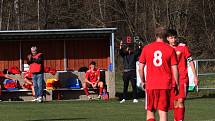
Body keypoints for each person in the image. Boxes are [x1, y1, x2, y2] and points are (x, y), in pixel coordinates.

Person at [138, 27, 179, 121]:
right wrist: (176, 83)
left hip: (151, 84)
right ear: (166, 37)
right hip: (165, 85)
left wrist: (143, 81)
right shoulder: (170, 49)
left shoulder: (146, 48)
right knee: (163, 112)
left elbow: (140, 68)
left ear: (155, 35)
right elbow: (175, 68)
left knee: (150, 112)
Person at [166, 29, 198, 121]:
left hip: (182, 79)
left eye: (175, 37)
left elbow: (191, 61)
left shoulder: (183, 47)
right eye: (171, 38)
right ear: (168, 39)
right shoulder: (166, 49)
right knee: (175, 102)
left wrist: (195, 76)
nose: (173, 40)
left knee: (180, 101)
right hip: (171, 80)